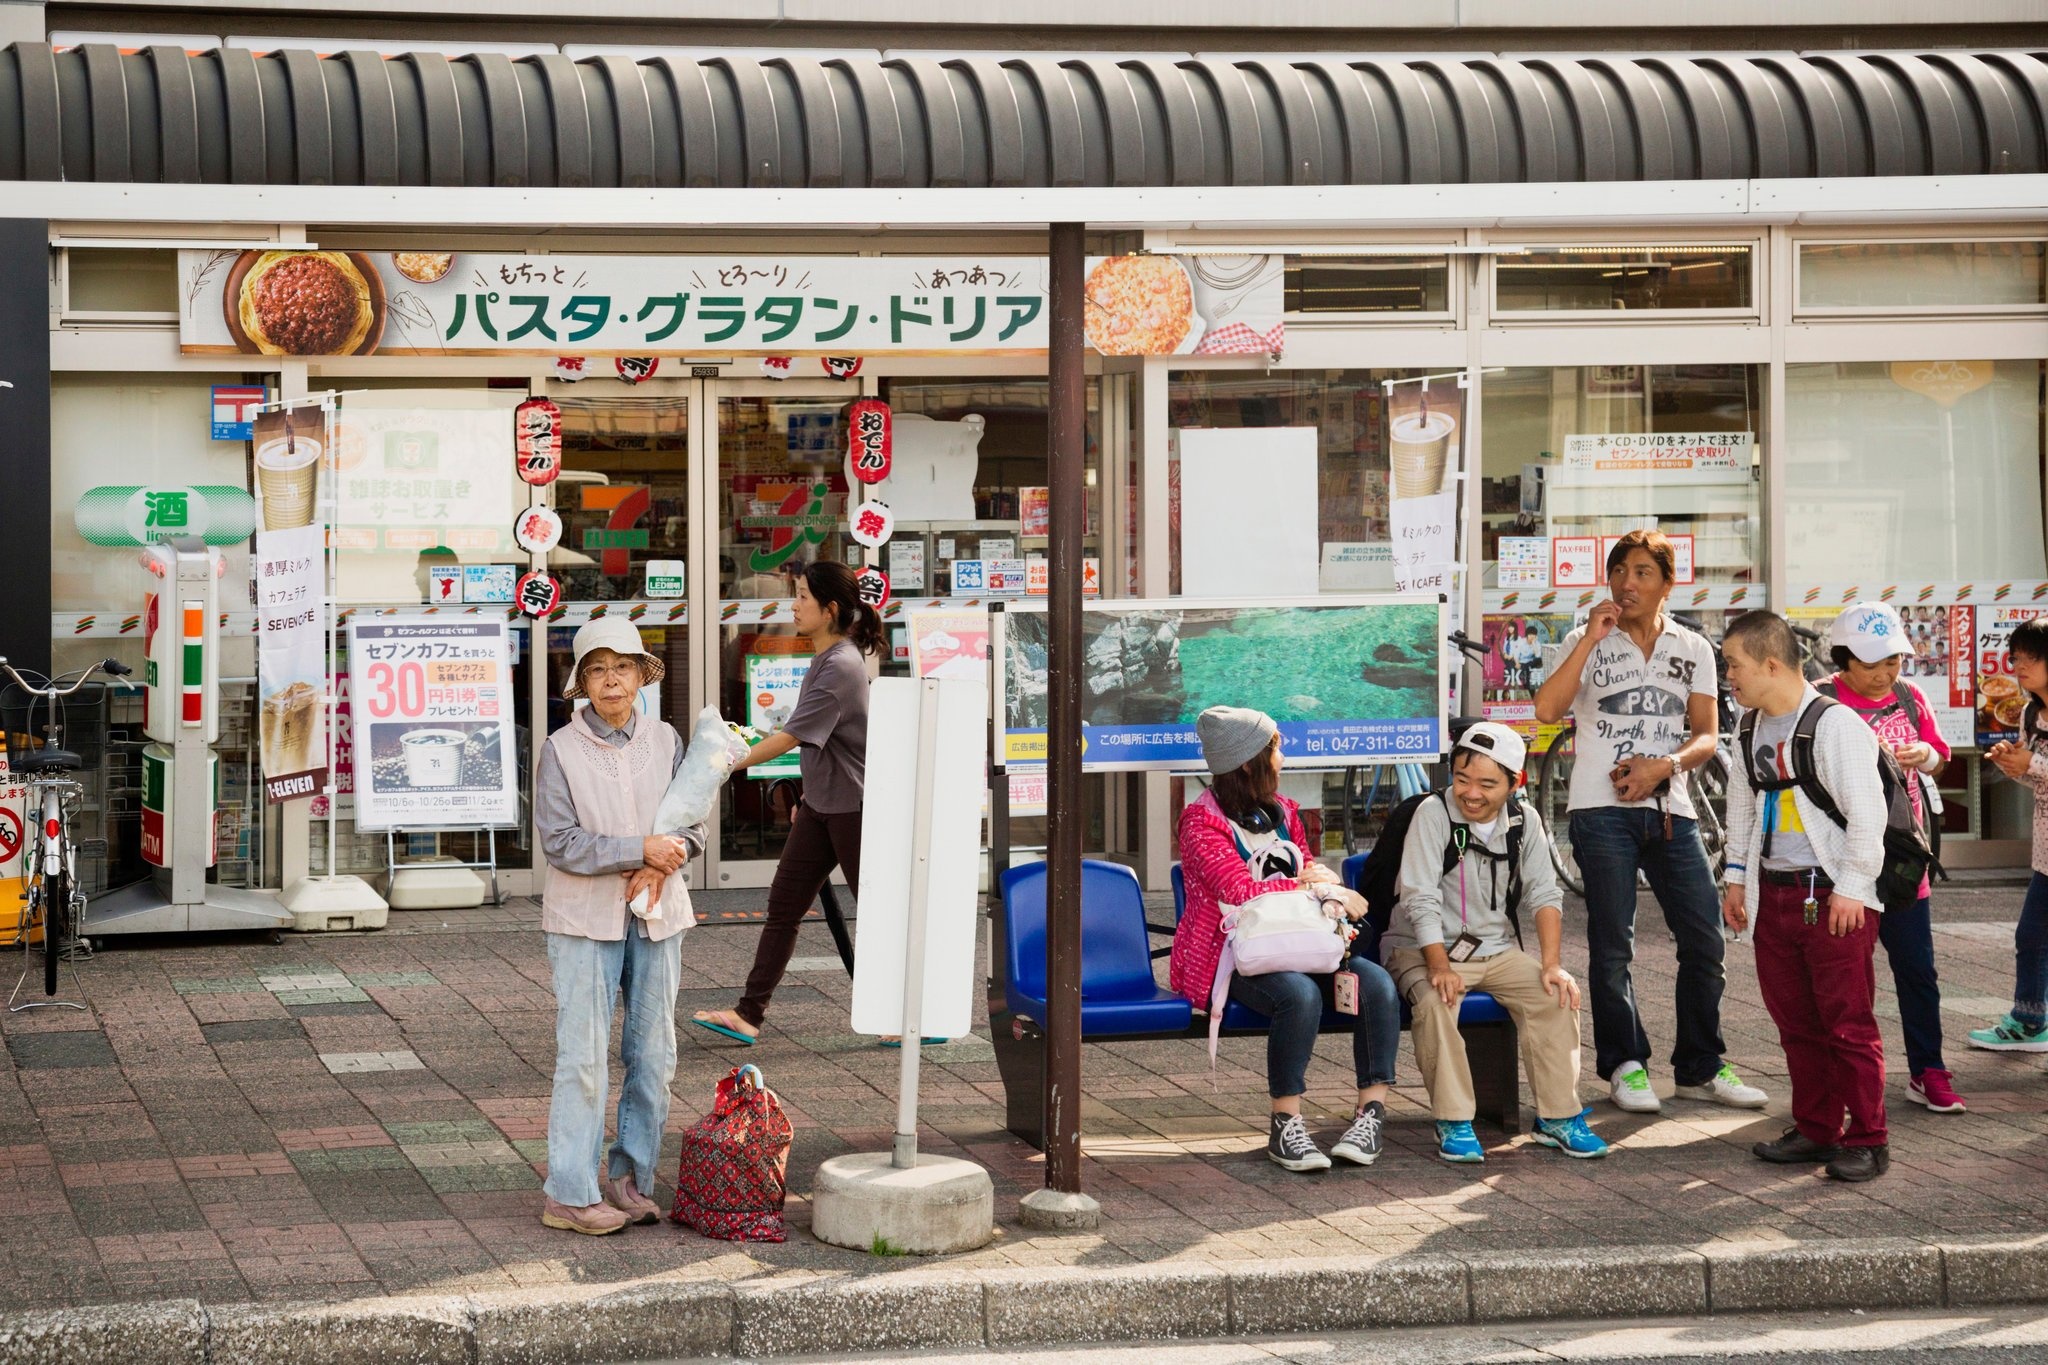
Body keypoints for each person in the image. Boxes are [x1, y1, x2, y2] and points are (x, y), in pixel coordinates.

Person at [1532, 529, 1767, 1115]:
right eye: (1619, 571)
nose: (1626, 583)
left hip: (1671, 811)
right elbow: (1545, 711)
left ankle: (1700, 1064)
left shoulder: (1692, 647)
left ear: (1667, 583)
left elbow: (1709, 736)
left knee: (1705, 936)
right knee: (1614, 944)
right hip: (1599, 810)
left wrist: (1664, 765)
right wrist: (1589, 640)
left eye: (1641, 572)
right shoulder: (1584, 640)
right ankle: (1625, 1064)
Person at [1170, 706, 1402, 1173]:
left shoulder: (1284, 812)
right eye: (1276, 747)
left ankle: (1370, 1113)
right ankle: (1286, 1122)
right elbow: (1237, 890)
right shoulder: (1200, 822)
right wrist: (1313, 884)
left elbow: (1308, 869)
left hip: (1305, 942)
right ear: (1250, 762)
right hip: (1234, 955)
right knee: (1297, 996)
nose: (1283, 755)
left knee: (1375, 984)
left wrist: (1314, 881)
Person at [534, 619, 704, 1235]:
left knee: (653, 1054)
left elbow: (694, 827)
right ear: (582, 683)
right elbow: (561, 842)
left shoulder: (666, 740)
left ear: (641, 675)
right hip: (583, 919)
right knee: (583, 1056)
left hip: (659, 912)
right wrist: (642, 853)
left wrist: (660, 868)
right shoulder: (561, 749)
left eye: (624, 667)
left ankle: (630, 1179)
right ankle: (570, 1192)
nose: (613, 679)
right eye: (599, 668)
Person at [1381, 722, 1607, 1163]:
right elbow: (1419, 897)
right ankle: (1454, 1119)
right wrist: (1439, 965)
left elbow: (1545, 892)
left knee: (1555, 996)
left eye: (1487, 784)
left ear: (1514, 783)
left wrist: (1552, 964)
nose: (1471, 793)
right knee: (1435, 1002)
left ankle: (1558, 1117)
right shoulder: (1433, 814)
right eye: (1462, 779)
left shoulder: (1525, 820)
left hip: (1495, 949)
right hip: (1419, 946)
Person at [1720, 610, 1890, 1182]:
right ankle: (1818, 1130)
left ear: (1771, 663)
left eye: (1734, 664)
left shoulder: (1836, 725)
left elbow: (1867, 814)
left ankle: (1868, 1138)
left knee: (1848, 1023)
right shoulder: (1748, 726)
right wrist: (1736, 877)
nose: (1729, 676)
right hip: (1777, 895)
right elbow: (1742, 805)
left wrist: (1852, 889)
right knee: (1796, 1023)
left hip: (1833, 897)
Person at [693, 560, 884, 1044]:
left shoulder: (840, 665)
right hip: (823, 805)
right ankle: (748, 1015)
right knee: (783, 907)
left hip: (852, 809)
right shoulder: (826, 658)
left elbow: (790, 737)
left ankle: (906, 1016)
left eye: (802, 596)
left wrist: (719, 766)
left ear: (830, 608)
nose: (793, 605)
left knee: (881, 918)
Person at [1822, 602, 1963, 1113]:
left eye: (1893, 661)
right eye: (1871, 664)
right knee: (1847, 982)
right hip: (1840, 864)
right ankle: (1843, 1079)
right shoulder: (1820, 701)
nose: (1884, 674)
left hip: (1902, 860)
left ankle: (1928, 1070)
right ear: (1843, 658)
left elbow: (1939, 755)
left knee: (1917, 971)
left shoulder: (1910, 695)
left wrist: (1927, 757)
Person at [1974, 616, 2048, 1053]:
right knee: (2031, 936)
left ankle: (2029, 1019)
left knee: (2033, 935)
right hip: (2044, 852)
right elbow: (2035, 780)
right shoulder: (2029, 712)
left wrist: (2032, 765)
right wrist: (2014, 763)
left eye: (2031, 656)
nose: (2019, 665)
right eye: (2016, 656)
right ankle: (2030, 1018)